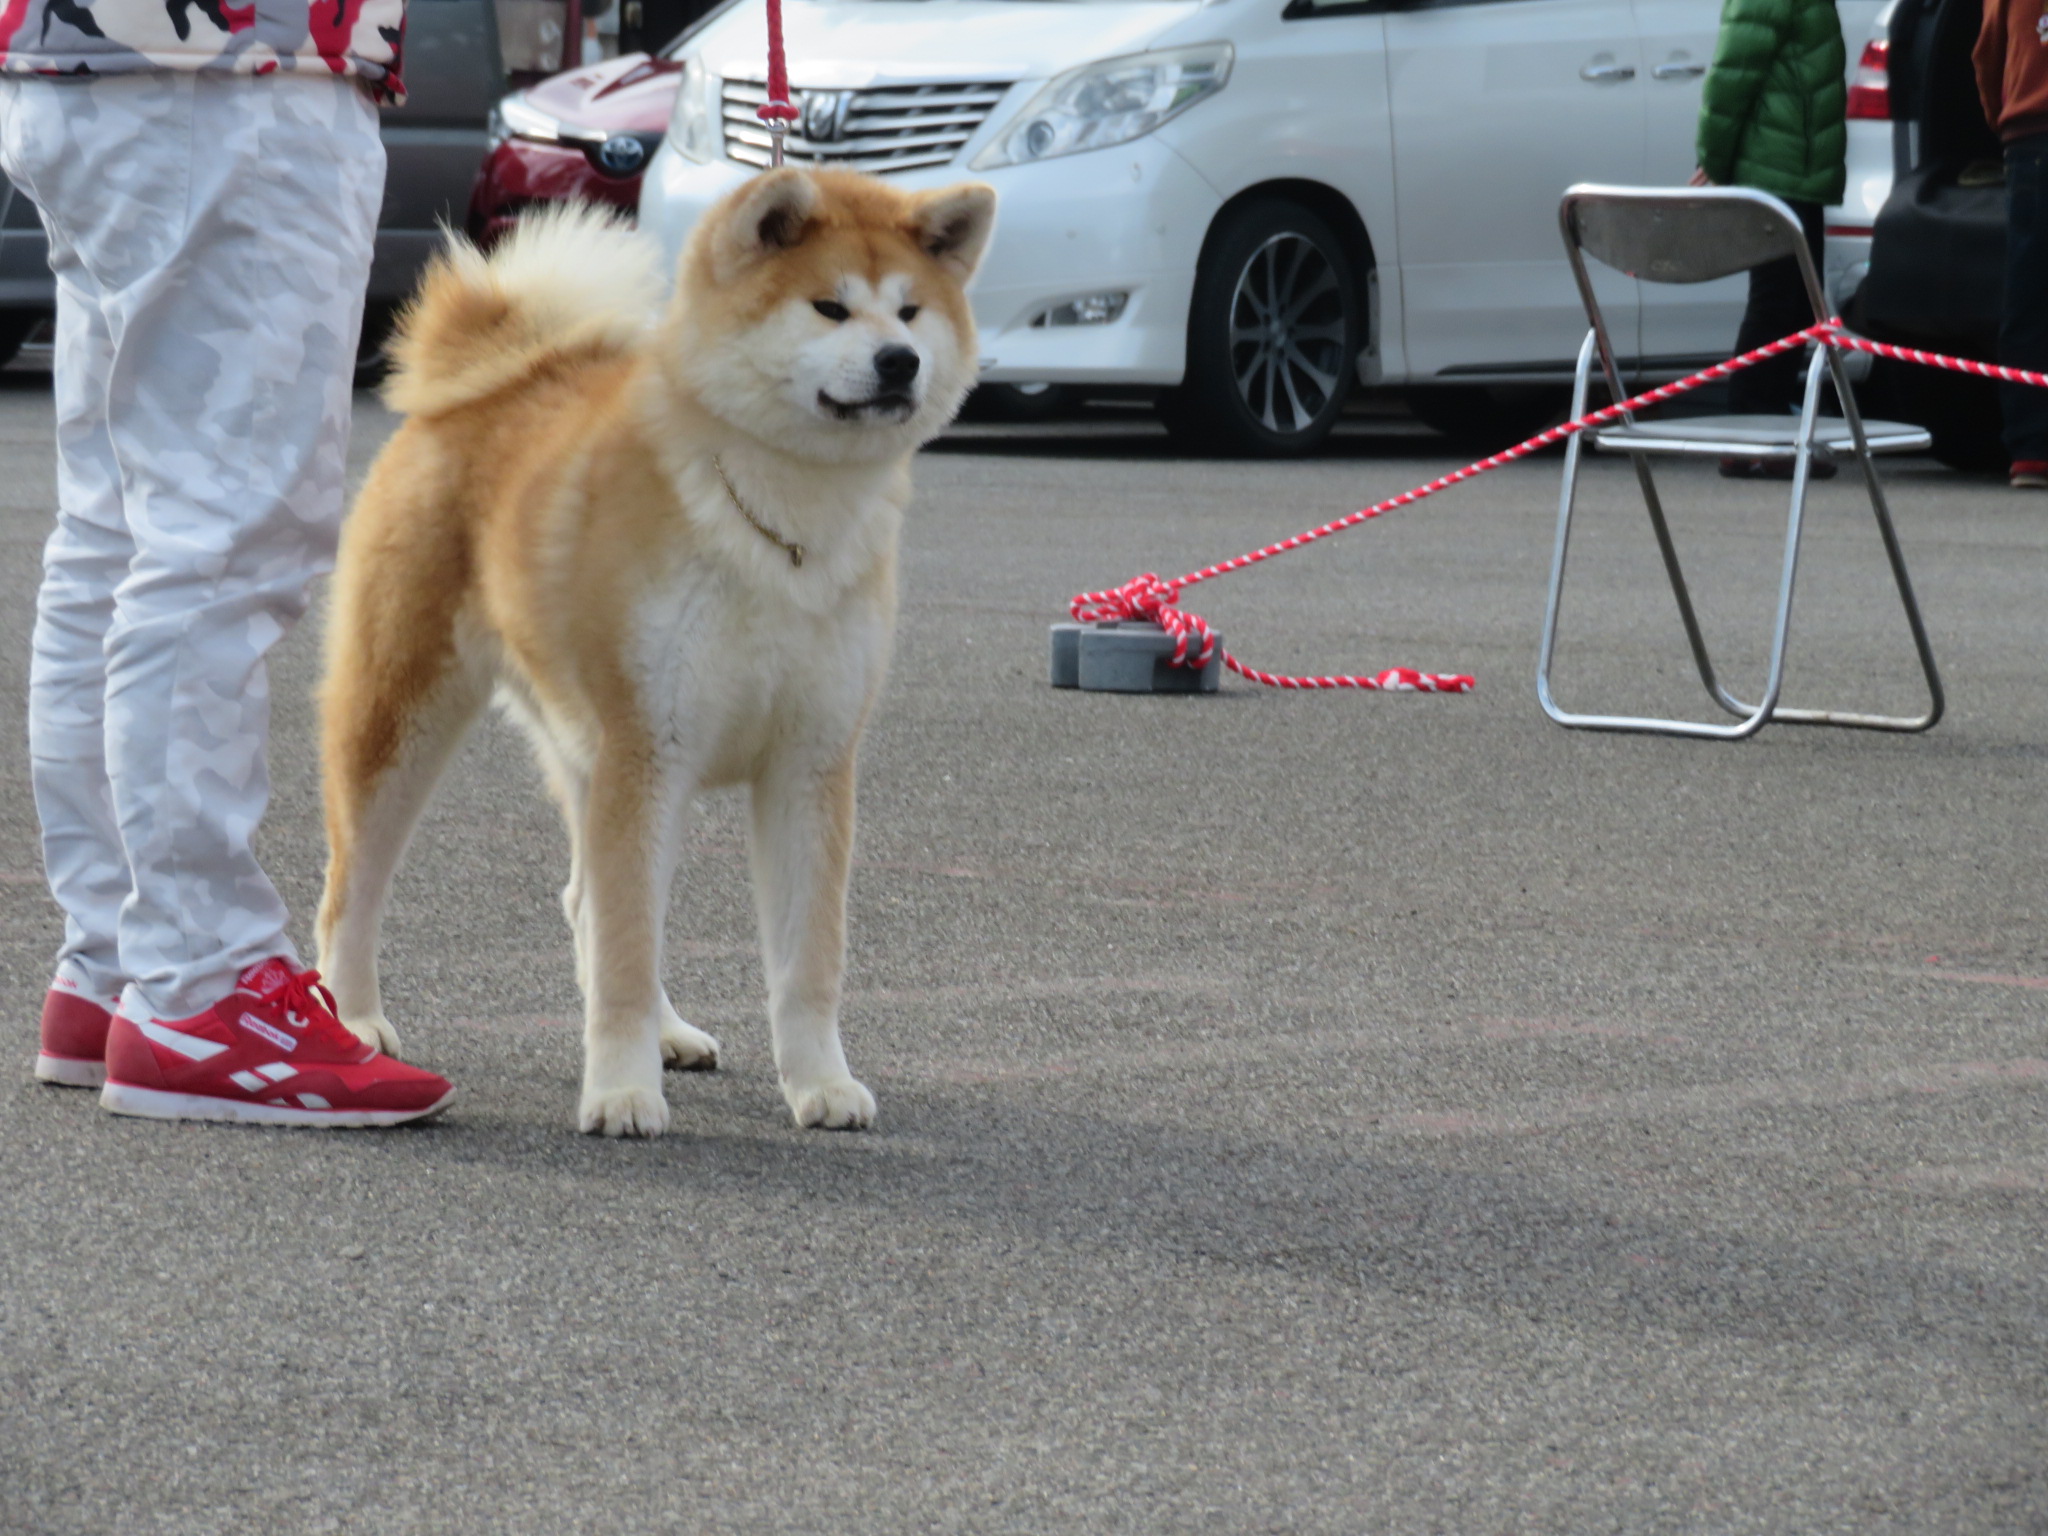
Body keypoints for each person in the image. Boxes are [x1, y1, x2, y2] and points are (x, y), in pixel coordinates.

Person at [1, 0, 455, 1124]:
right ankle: (199, 989)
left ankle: (118, 962)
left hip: (89, 64)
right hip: (244, 77)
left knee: (119, 529)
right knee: (226, 534)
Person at [1692, 0, 1848, 479]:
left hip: (1797, 167)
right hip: (1778, 169)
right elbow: (1733, 72)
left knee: (1797, 302)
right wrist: (1712, 160)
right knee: (1780, 300)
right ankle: (1749, 425)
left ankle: (1765, 423)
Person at [1976, 0, 2048, 489]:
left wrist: (2001, 122)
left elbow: (1986, 54)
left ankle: (2031, 451)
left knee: (2029, 295)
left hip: (2030, 140)